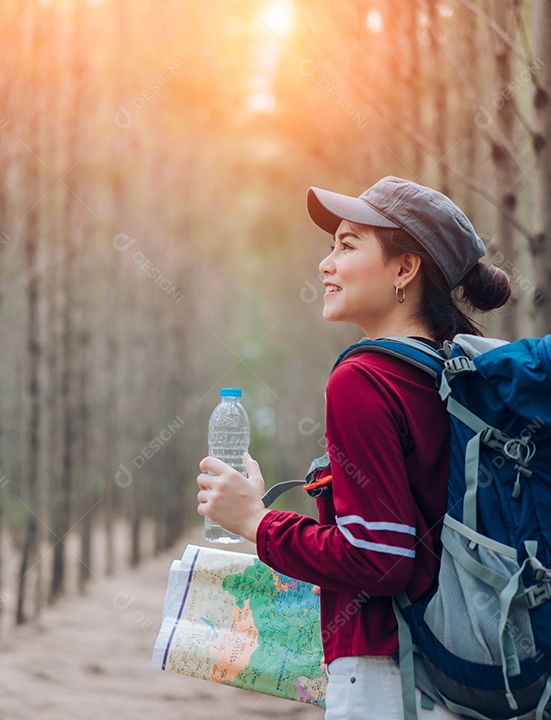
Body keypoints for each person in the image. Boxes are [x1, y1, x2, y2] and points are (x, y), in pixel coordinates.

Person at [196, 176, 511, 720]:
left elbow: (381, 558)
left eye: (347, 245)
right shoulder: (459, 374)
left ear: (404, 270)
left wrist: (256, 522)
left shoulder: (365, 378)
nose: (326, 264)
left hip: (391, 674)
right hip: (469, 665)